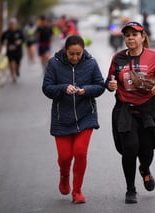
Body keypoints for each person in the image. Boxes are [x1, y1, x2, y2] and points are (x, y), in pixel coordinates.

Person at [105, 21, 155, 204]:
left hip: (148, 109)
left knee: (147, 149)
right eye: (127, 35)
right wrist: (110, 86)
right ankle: (130, 189)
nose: (131, 38)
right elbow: (109, 81)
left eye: (134, 34)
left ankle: (145, 169)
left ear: (142, 37)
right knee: (130, 148)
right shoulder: (117, 58)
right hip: (125, 110)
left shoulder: (154, 57)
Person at [42, 35, 105, 204]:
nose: (75, 57)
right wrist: (63, 88)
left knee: (80, 153)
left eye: (79, 53)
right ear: (65, 50)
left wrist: (86, 90)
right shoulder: (54, 64)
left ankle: (77, 191)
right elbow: (47, 88)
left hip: (86, 117)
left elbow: (100, 86)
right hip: (62, 118)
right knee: (64, 157)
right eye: (72, 54)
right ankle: (64, 175)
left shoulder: (91, 63)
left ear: (83, 51)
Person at [1, 18, 25, 83]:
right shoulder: (6, 32)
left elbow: (23, 39)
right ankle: (13, 76)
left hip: (18, 51)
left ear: (16, 24)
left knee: (18, 63)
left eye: (13, 24)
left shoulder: (19, 31)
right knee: (11, 63)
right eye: (11, 24)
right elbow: (2, 40)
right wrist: (4, 43)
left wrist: (20, 41)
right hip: (10, 51)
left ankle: (17, 70)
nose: (12, 25)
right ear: (9, 25)